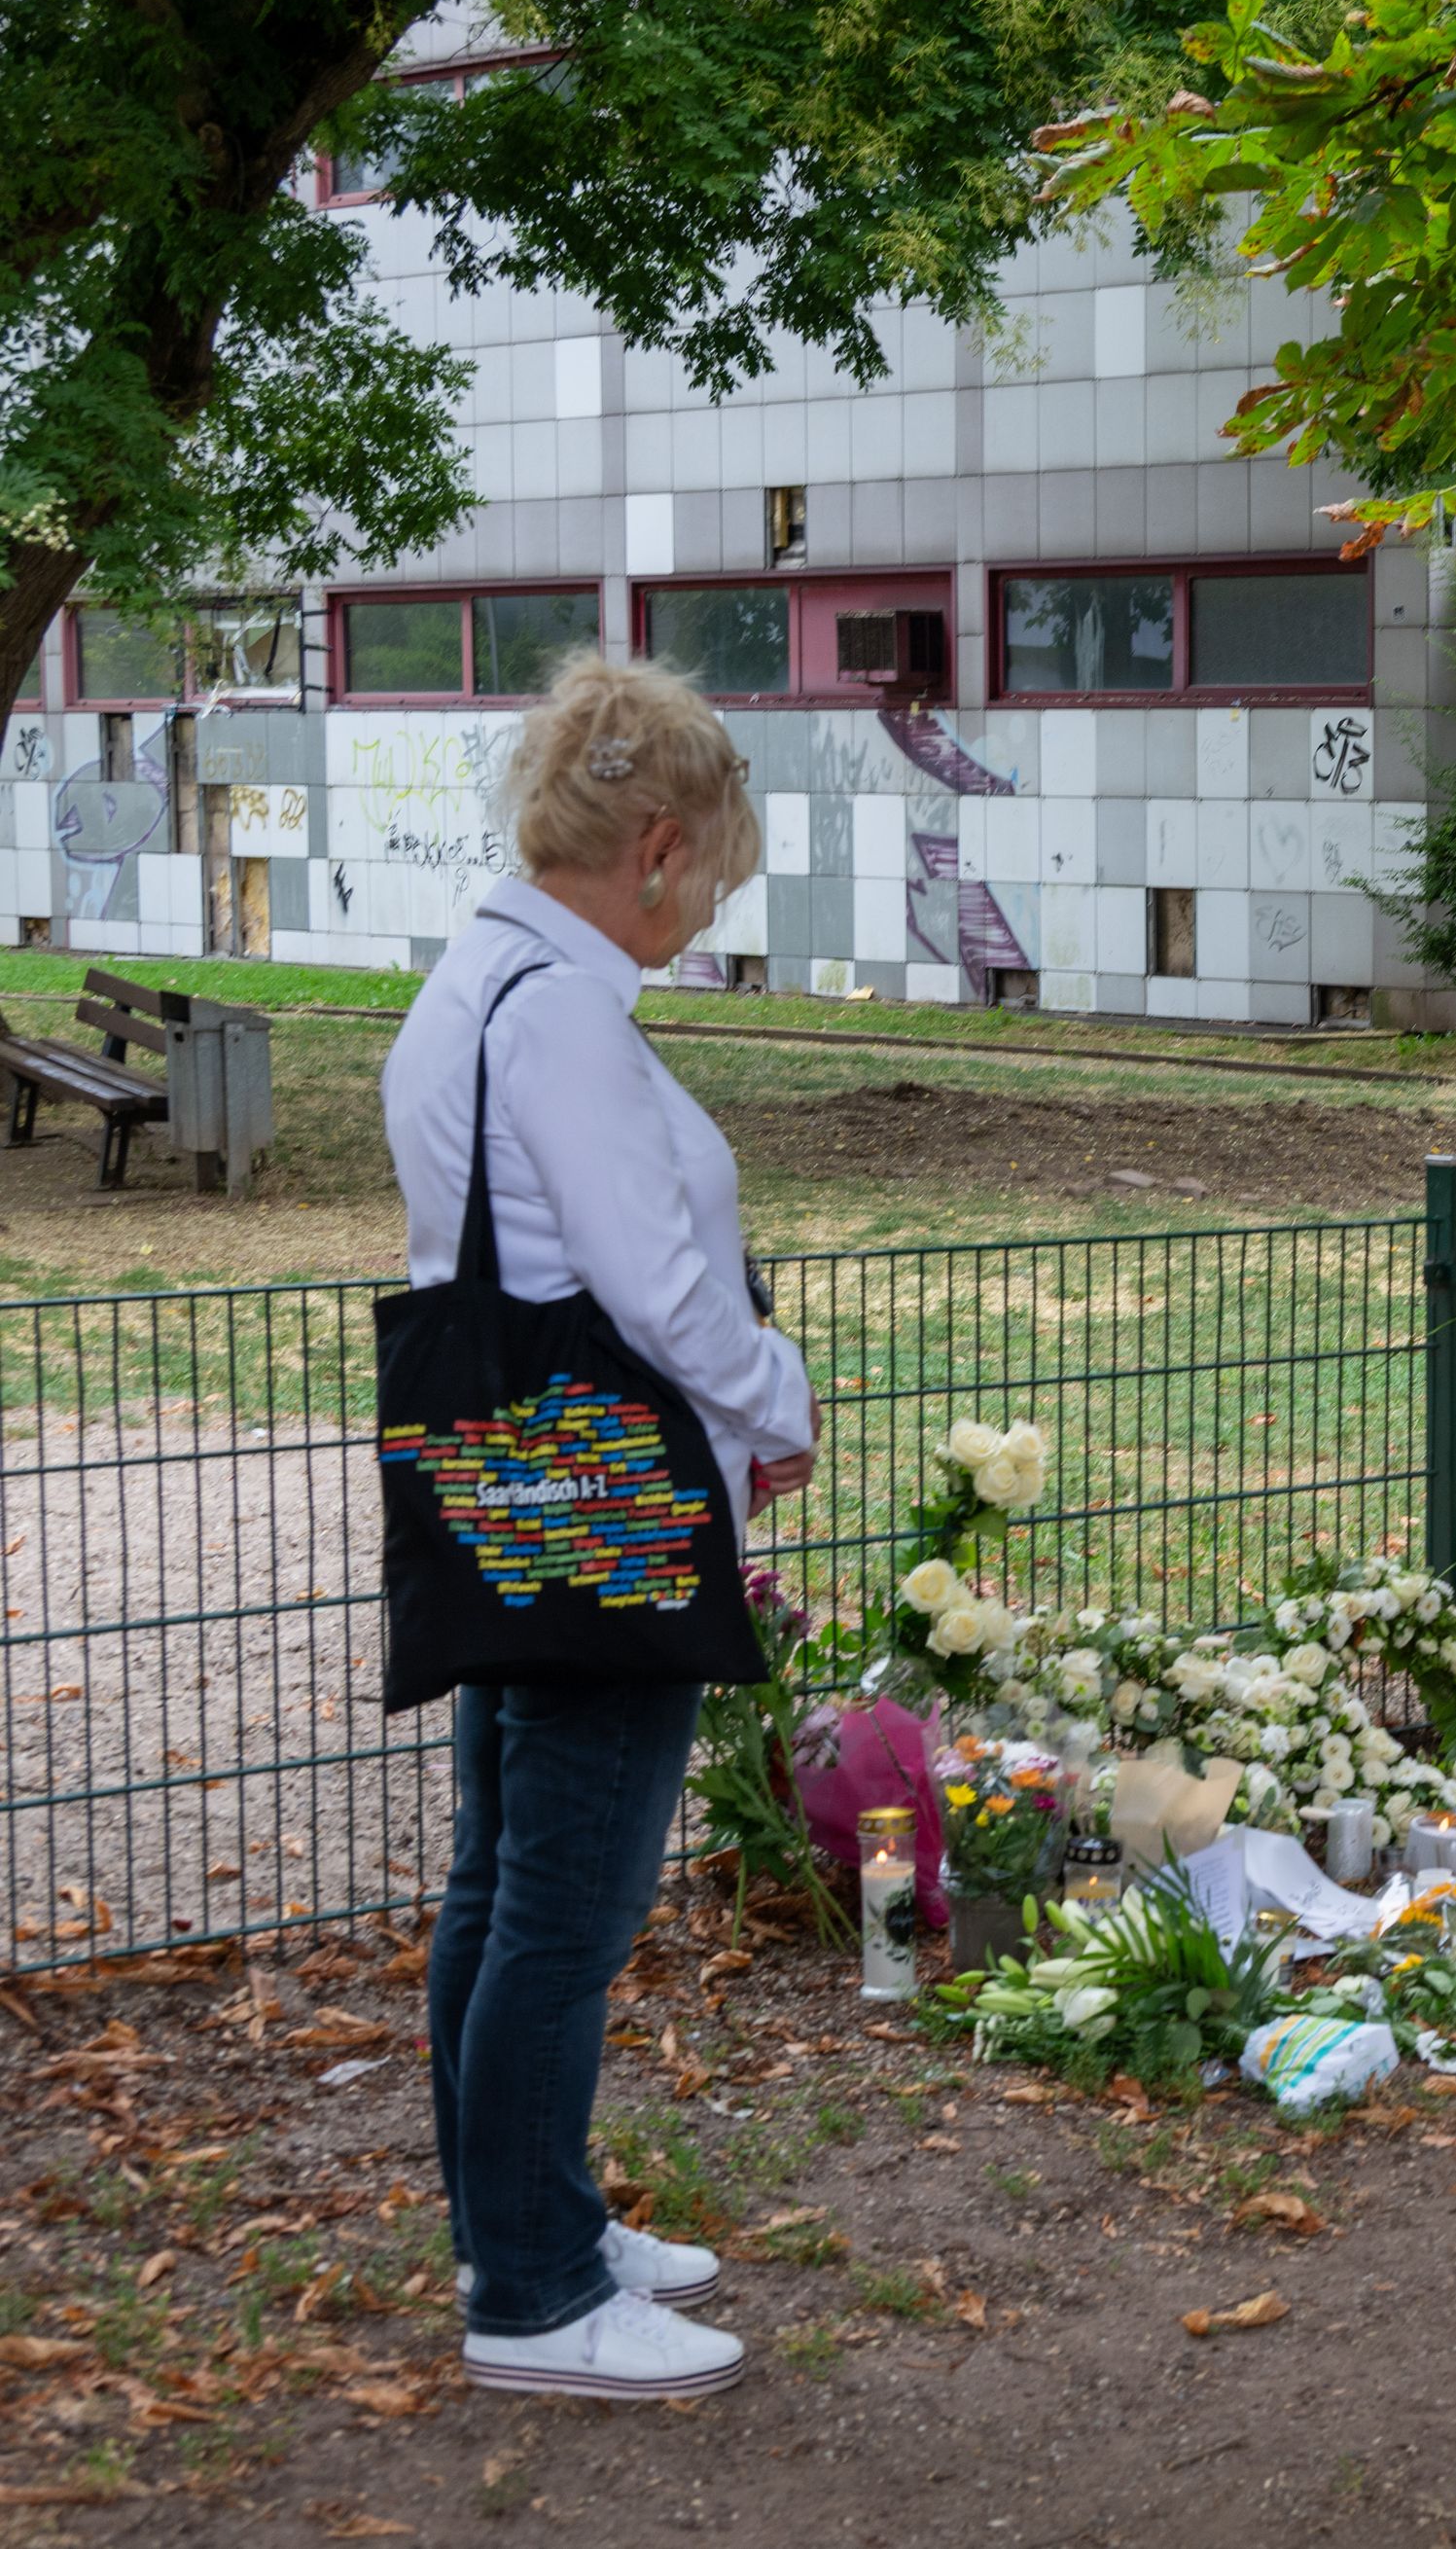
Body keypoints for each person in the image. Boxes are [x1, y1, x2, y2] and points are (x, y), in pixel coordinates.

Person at [385, 655, 818, 2398]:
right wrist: (772, 1397)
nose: (708, 910)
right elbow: (655, 1289)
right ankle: (539, 2294)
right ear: (653, 844)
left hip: (510, 1466)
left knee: (504, 1882)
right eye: (711, 874)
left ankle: (523, 2216)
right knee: (566, 1898)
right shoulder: (565, 1012)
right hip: (605, 1486)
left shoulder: (478, 971)